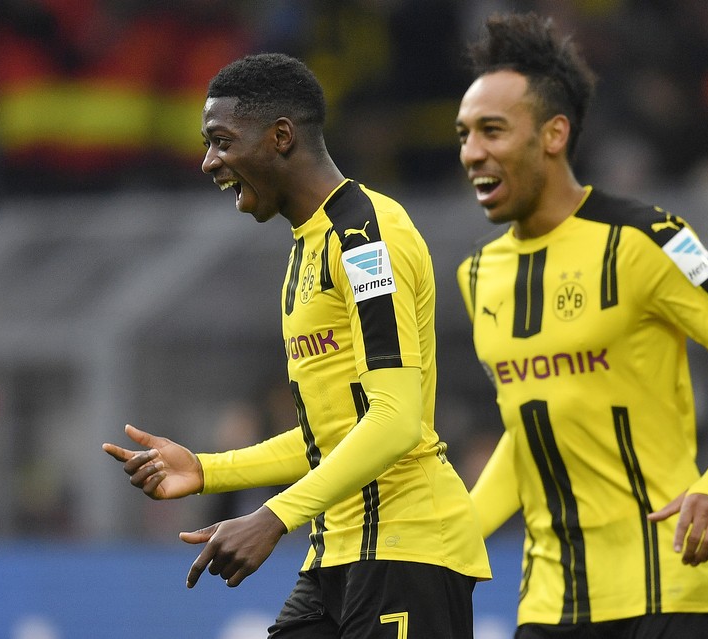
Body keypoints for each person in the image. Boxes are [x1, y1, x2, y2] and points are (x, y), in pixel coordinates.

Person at [103, 52, 491, 638]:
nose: (209, 162)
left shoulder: (365, 239)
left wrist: (273, 517)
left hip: (407, 551)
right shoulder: (307, 248)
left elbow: (395, 420)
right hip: (337, 554)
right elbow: (330, 435)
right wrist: (207, 469)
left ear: (281, 137)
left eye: (222, 142)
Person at [454, 12, 708, 638]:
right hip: (550, 607)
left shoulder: (648, 240)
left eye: (493, 130)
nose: (472, 152)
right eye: (465, 134)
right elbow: (528, 429)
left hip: (669, 592)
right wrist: (455, 538)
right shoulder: (478, 275)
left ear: (553, 133)